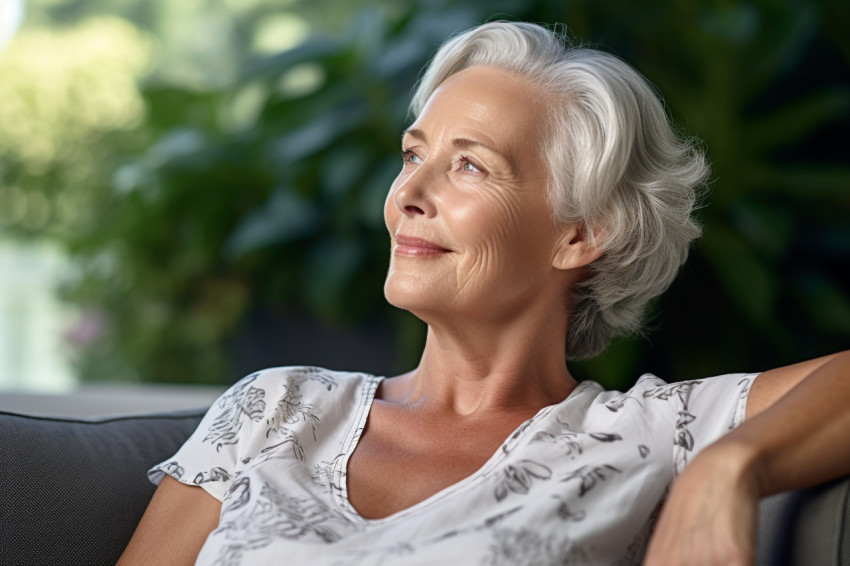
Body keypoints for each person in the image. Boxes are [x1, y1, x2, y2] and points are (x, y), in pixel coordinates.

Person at [118, 21, 850, 566]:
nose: (407, 193)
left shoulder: (646, 433)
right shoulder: (273, 407)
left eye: (469, 166)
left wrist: (731, 467)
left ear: (580, 234)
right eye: (413, 155)